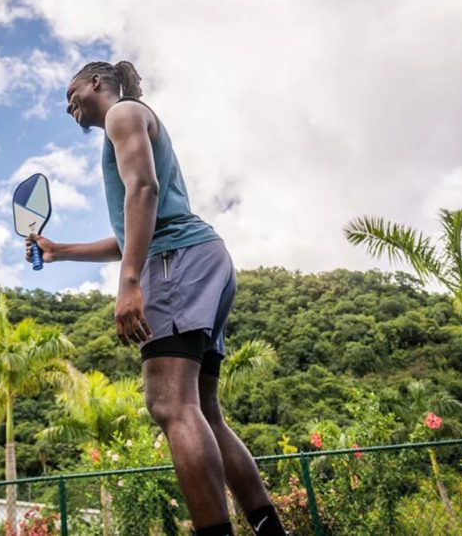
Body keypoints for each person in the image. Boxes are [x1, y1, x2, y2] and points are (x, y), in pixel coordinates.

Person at [26, 62, 286, 536]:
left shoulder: (123, 113)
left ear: (97, 84)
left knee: (169, 403)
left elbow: (142, 191)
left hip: (174, 259)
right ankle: (270, 529)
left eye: (72, 92)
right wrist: (60, 250)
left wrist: (130, 283)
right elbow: (131, 229)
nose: (68, 104)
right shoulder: (128, 121)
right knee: (202, 409)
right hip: (199, 256)